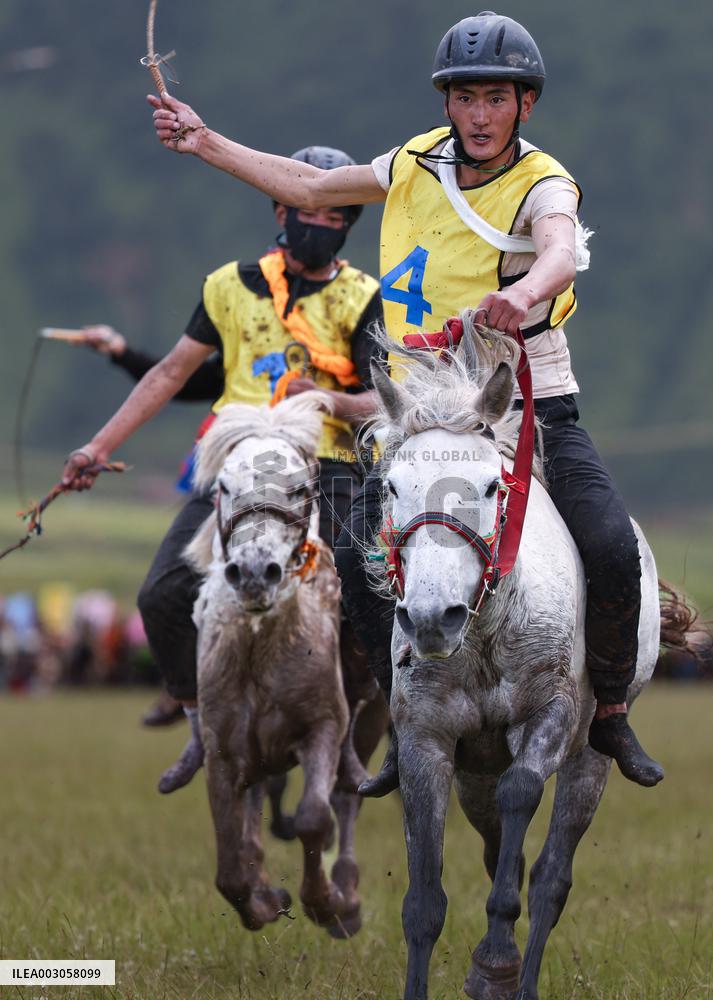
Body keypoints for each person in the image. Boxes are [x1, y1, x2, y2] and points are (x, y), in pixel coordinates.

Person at [143, 11, 665, 795]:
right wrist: (204, 141)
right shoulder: (414, 161)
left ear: (525, 105)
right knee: (359, 556)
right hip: (421, 416)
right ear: (446, 102)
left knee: (610, 545)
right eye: (465, 98)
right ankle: (404, 717)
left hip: (525, 406)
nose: (479, 115)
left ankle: (611, 712)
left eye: (496, 99)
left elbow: (560, 251)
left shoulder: (544, 182)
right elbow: (312, 186)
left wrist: (521, 293)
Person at [61, 146, 384, 792]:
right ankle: (198, 723)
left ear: (349, 225)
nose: (320, 225)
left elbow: (384, 398)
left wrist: (330, 400)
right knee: (161, 594)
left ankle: (343, 733)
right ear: (280, 211)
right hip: (232, 468)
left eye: (335, 217)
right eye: (309, 212)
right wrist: (97, 447)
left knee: (364, 592)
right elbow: (169, 374)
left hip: (325, 465)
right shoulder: (227, 287)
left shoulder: (363, 296)